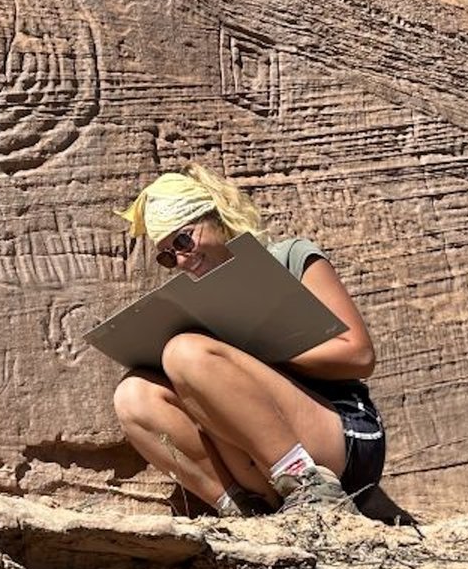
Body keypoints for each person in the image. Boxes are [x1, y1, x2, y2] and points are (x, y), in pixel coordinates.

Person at [112, 163, 384, 518]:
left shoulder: (291, 257)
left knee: (186, 353)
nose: (180, 259)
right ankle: (243, 510)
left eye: (183, 240)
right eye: (168, 255)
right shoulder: (196, 304)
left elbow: (360, 355)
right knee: (133, 395)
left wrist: (256, 354)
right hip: (258, 461)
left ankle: (312, 488)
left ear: (218, 219)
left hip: (343, 438)